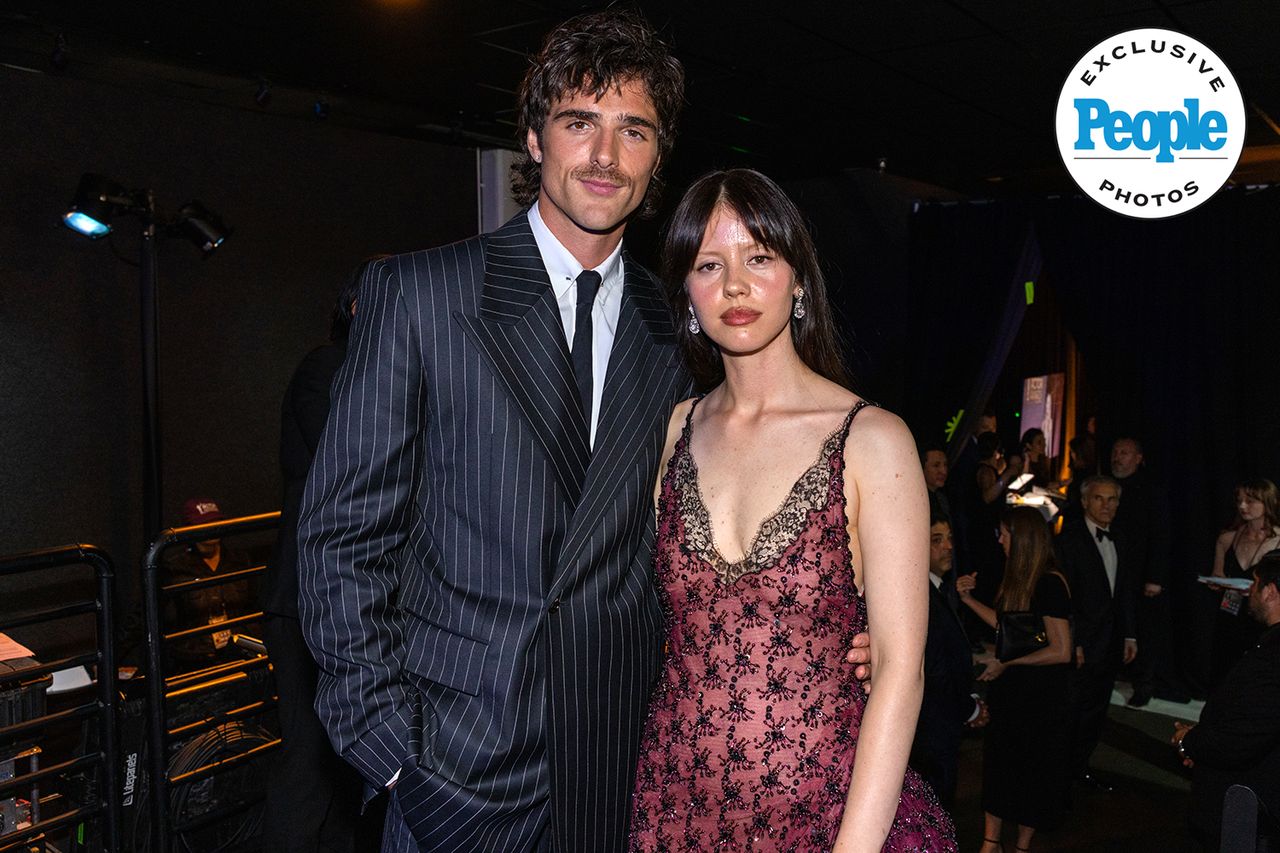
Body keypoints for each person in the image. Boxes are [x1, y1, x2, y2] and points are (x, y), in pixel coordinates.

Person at [296, 16, 873, 853]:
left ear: (655, 159)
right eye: (580, 123)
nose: (605, 156)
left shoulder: (679, 329)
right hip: (450, 774)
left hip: (623, 770)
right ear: (534, 138)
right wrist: (391, 754)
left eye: (631, 130)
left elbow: (716, 521)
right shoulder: (422, 296)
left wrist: (827, 628)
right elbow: (340, 541)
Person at [628, 169, 954, 851]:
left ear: (799, 279)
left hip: (828, 814)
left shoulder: (872, 439)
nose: (735, 285)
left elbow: (901, 666)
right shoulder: (667, 432)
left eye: (760, 258)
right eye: (709, 264)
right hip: (675, 810)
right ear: (686, 292)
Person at [262, 262, 382, 852]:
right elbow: (352, 462)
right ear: (359, 309)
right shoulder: (327, 367)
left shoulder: (377, 376)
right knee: (309, 760)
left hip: (353, 600)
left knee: (343, 767)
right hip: (310, 597)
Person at [956, 506, 1073, 853]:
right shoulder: (1017, 576)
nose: (1000, 540)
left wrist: (1008, 664)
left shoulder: (1051, 581)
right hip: (1014, 691)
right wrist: (967, 599)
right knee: (1000, 765)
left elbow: (1061, 650)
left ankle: (1021, 847)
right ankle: (990, 843)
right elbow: (1007, 628)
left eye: (1005, 533)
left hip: (1042, 696)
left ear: (1023, 538)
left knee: (1032, 773)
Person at [1172, 552, 1280, 848]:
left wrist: (1190, 741)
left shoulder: (1270, 659)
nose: (1250, 592)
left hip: (1248, 807)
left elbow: (1244, 736)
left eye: (1256, 584)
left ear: (1270, 591)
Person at [1057, 475, 1138, 791]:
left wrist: (1130, 635)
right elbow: (1065, 597)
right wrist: (1073, 640)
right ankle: (1061, 774)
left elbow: (1126, 592)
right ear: (1085, 502)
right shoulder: (1068, 541)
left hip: (1111, 641)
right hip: (1081, 644)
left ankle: (1080, 769)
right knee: (1073, 709)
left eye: (1112, 499)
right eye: (1099, 499)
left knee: (1096, 711)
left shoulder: (1121, 539)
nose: (1107, 506)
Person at [912, 511, 986, 809]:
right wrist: (969, 708)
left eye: (950, 539)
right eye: (936, 540)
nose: (948, 547)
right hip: (930, 733)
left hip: (939, 727)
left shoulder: (938, 589)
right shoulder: (921, 595)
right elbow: (934, 671)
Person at [1108, 437, 1180, 706]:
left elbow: (1161, 535)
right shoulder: (1108, 486)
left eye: (1124, 452)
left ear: (1138, 458)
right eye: (1115, 452)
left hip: (1140, 574)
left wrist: (1155, 577)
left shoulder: (1151, 490)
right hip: (1113, 568)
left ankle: (1144, 683)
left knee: (1144, 630)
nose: (1118, 457)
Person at [164, 497, 253, 670]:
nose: (212, 528)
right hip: (198, 660)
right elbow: (150, 617)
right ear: (190, 528)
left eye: (216, 522)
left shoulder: (239, 561)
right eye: (205, 523)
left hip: (239, 654)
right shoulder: (175, 568)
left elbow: (254, 604)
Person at [1209, 479, 1280, 683]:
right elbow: (1217, 577)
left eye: (1250, 501)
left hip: (1261, 621)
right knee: (1222, 673)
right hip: (1230, 616)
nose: (1242, 506)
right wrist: (1218, 583)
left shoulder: (1278, 541)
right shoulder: (1228, 538)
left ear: (1268, 502)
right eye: (1239, 500)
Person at [921, 443, 951, 523]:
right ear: (922, 468)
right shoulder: (916, 500)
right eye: (936, 465)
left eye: (945, 465)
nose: (943, 471)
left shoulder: (942, 499)